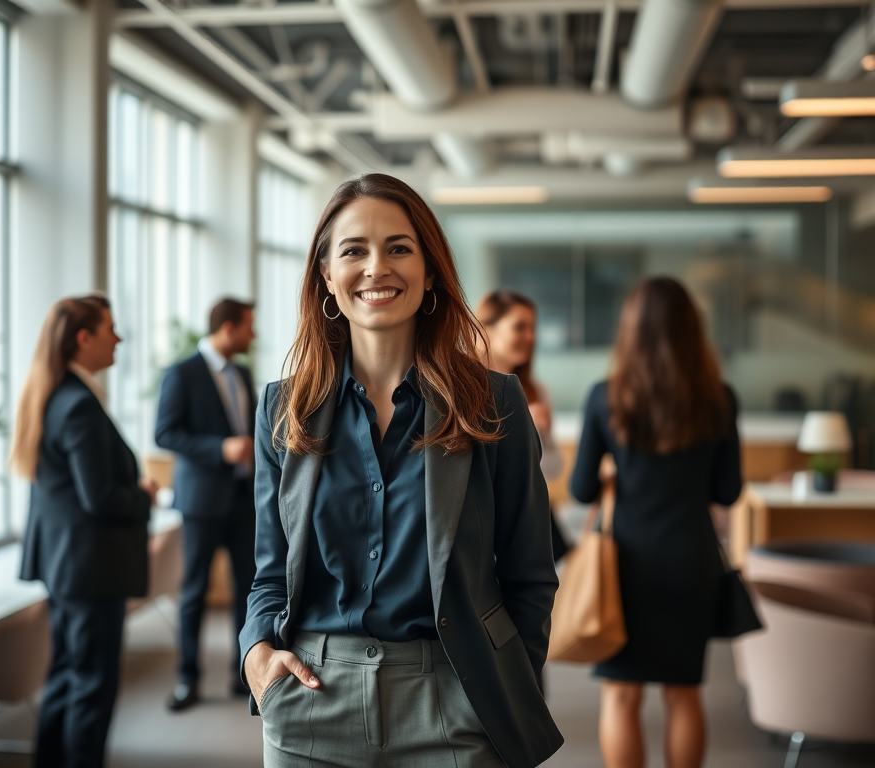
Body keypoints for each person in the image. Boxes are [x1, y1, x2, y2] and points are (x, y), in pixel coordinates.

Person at [240, 174, 563, 768]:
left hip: (454, 699)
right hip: (312, 694)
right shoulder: (283, 409)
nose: (376, 268)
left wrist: (506, 676)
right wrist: (258, 653)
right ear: (326, 278)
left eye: (399, 248)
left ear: (431, 271)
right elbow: (269, 571)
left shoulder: (495, 402)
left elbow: (530, 574)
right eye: (354, 250)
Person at [568, 277, 743, 768]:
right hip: (692, 562)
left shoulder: (606, 397)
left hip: (625, 565)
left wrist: (611, 472)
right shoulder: (719, 399)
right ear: (692, 329)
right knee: (684, 695)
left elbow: (581, 490)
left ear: (630, 330)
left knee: (621, 697)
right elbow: (728, 491)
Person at [11, 294, 157, 768]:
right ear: (84, 338)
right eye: (110, 329)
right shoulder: (77, 404)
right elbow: (100, 498)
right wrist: (145, 495)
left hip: (68, 566)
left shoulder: (54, 396)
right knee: (91, 687)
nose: (118, 338)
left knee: (66, 678)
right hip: (90, 569)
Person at [155, 298, 258, 710]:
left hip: (244, 498)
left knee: (249, 589)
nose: (254, 334)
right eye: (249, 326)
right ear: (228, 328)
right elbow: (165, 433)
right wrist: (220, 448)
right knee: (194, 590)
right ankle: (188, 679)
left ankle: (243, 674)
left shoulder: (244, 373)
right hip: (201, 501)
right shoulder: (181, 373)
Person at [476, 290, 569, 561]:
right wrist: (517, 423)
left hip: (529, 521)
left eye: (532, 328)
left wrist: (545, 436)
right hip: (483, 526)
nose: (531, 337)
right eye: (520, 327)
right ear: (487, 329)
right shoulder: (463, 389)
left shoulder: (536, 391)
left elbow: (552, 470)